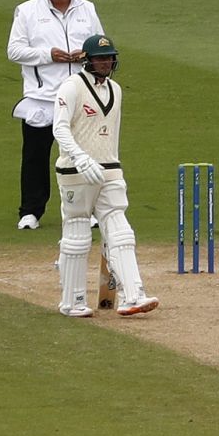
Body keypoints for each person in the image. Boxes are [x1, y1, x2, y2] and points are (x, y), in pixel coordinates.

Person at [50, 34, 158, 317]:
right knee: (77, 234)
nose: (106, 62)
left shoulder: (117, 89)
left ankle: (133, 295)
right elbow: (59, 128)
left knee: (121, 232)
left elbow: (113, 132)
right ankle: (72, 302)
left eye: (109, 57)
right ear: (87, 60)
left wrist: (114, 164)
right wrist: (80, 157)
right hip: (75, 171)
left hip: (109, 169)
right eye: (100, 58)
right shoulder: (71, 87)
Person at [7, 0, 105, 230]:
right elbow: (14, 51)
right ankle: (30, 212)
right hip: (42, 98)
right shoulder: (26, 11)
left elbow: (102, 44)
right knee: (35, 157)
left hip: (81, 95)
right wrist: (48, 55)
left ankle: (89, 210)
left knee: (85, 154)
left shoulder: (87, 9)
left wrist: (86, 54)